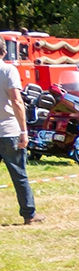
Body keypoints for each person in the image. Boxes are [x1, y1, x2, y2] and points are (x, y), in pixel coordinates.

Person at [0, 51, 37, 224]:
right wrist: (24, 131)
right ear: (4, 51)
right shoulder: (8, 70)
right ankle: (29, 215)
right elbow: (16, 100)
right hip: (8, 131)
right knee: (19, 175)